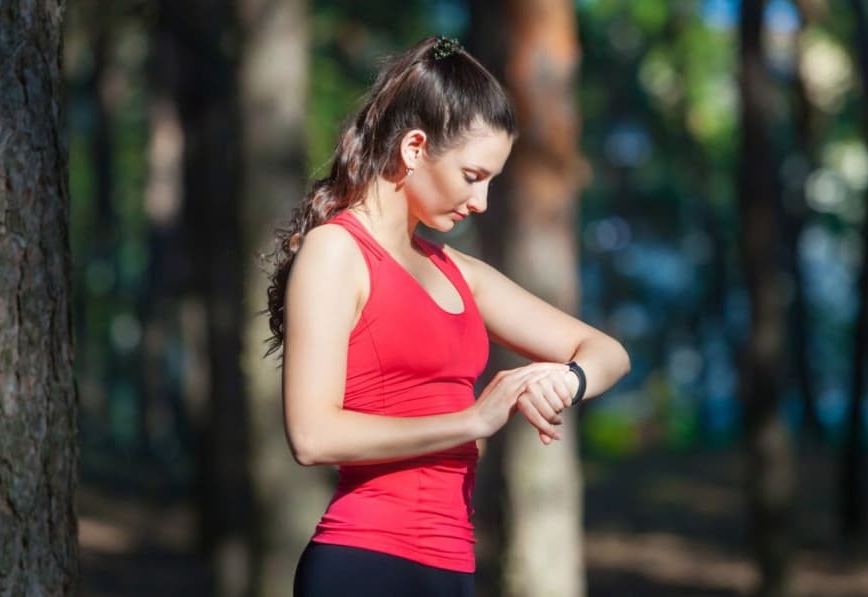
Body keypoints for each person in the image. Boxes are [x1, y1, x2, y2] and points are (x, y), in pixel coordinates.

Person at [264, 36, 630, 597]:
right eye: (472, 175)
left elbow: (608, 354)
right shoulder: (337, 252)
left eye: (492, 182)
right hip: (363, 565)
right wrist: (473, 420)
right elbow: (312, 435)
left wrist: (563, 381)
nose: (480, 202)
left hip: (452, 567)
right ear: (414, 148)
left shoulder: (460, 272)